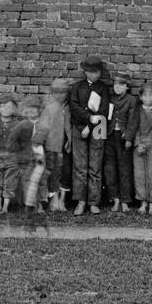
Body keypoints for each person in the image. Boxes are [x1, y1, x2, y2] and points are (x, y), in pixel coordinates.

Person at [70, 56, 110, 215]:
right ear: (85, 72)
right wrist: (87, 120)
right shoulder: (77, 87)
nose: (95, 75)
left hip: (97, 129)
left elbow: (104, 110)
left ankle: (94, 201)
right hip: (79, 128)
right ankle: (80, 201)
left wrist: (90, 125)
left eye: (98, 72)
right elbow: (74, 107)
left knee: (95, 166)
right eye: (92, 72)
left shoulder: (103, 88)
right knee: (80, 167)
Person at [35, 78, 73, 211]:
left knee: (66, 172)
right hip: (52, 146)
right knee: (53, 173)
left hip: (67, 146)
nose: (59, 95)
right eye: (56, 92)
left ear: (67, 93)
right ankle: (54, 200)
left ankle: (62, 200)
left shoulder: (70, 108)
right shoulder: (49, 108)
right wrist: (38, 142)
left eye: (63, 92)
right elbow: (42, 127)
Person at [105, 72, 138, 212]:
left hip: (123, 137)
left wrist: (129, 138)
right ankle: (115, 198)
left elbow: (133, 121)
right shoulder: (110, 98)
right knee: (110, 168)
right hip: (109, 135)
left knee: (124, 169)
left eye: (122, 84)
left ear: (127, 87)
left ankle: (125, 200)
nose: (118, 87)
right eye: (116, 84)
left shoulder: (131, 100)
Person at [0, 97, 23, 215]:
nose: (6, 109)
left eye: (10, 107)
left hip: (13, 157)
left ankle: (6, 207)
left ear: (14, 109)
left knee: (10, 182)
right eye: (3, 106)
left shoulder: (18, 124)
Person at [132, 82, 152, 215]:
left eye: (151, 95)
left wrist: (149, 142)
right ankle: (142, 202)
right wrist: (138, 143)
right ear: (140, 97)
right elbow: (134, 127)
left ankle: (151, 203)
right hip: (138, 147)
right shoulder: (137, 110)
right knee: (139, 174)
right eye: (145, 95)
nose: (148, 98)